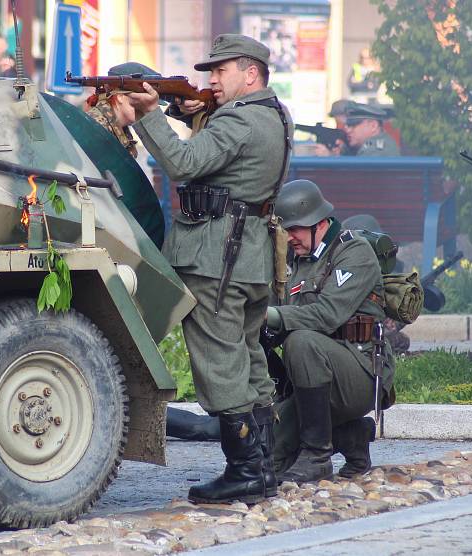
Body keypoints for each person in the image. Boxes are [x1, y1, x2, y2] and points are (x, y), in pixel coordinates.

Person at [126, 34, 293, 505]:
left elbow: (182, 163)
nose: (212, 80)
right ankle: (262, 470)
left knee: (221, 365)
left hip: (215, 259)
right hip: (248, 260)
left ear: (251, 73)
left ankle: (244, 472)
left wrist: (148, 113)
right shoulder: (274, 116)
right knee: (249, 361)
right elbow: (222, 153)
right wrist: (182, 108)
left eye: (221, 71)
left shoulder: (239, 122)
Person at [266, 180, 395, 483]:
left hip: (361, 369)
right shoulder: (294, 262)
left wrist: (269, 316)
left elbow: (326, 315)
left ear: (319, 223)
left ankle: (317, 455)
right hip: (315, 375)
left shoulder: (354, 253)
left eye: (295, 228)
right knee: (268, 461)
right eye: (285, 230)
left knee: (301, 341)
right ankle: (351, 436)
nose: (290, 237)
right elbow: (278, 313)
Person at [341, 214, 410, 354]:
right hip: (351, 333)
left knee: (401, 340)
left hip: (373, 329)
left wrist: (393, 322)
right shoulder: (345, 270)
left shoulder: (385, 268)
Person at [83, 62, 150, 157]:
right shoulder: (96, 127)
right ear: (120, 96)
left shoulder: (118, 127)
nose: (149, 107)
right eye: (142, 99)